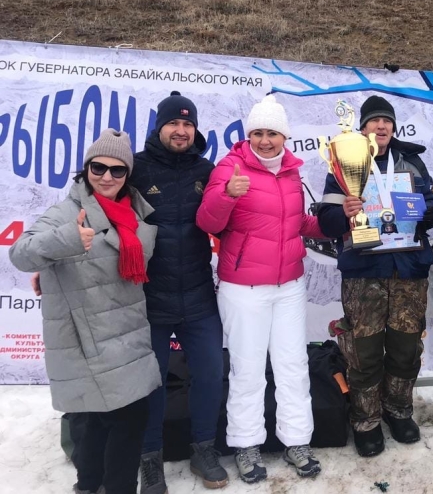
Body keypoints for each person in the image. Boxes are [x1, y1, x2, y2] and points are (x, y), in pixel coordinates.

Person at [9, 129, 160, 494]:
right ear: (86, 168)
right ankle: (99, 486)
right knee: (106, 422)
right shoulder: (66, 212)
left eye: (117, 170)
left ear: (127, 175)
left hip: (128, 335)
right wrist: (65, 241)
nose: (106, 176)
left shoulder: (135, 211)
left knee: (113, 422)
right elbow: (20, 253)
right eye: (98, 167)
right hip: (88, 340)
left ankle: (96, 485)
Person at [196, 95, 325, 483]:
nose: (265, 140)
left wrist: (336, 223)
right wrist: (226, 195)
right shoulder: (231, 167)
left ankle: (297, 440)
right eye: (258, 133)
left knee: (292, 367)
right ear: (248, 134)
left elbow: (297, 224)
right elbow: (207, 220)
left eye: (272, 133)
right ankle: (246, 445)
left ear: (284, 136)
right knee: (248, 371)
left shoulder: (291, 172)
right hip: (244, 288)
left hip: (289, 285)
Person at [317, 95, 433, 458]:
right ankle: (366, 419)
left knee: (405, 348)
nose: (381, 126)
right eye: (374, 121)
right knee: (364, 351)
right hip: (364, 272)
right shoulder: (342, 163)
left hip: (407, 270)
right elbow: (326, 221)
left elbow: (432, 208)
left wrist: (418, 209)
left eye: (387, 121)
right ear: (364, 128)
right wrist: (345, 213)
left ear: (393, 127)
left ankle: (398, 410)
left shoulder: (411, 161)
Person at [132, 92, 228, 493]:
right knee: (150, 381)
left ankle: (204, 448)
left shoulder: (207, 170)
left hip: (199, 295)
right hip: (151, 298)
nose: (181, 130)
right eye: (174, 123)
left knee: (210, 373)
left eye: (188, 124)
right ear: (160, 126)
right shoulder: (134, 168)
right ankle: (149, 457)